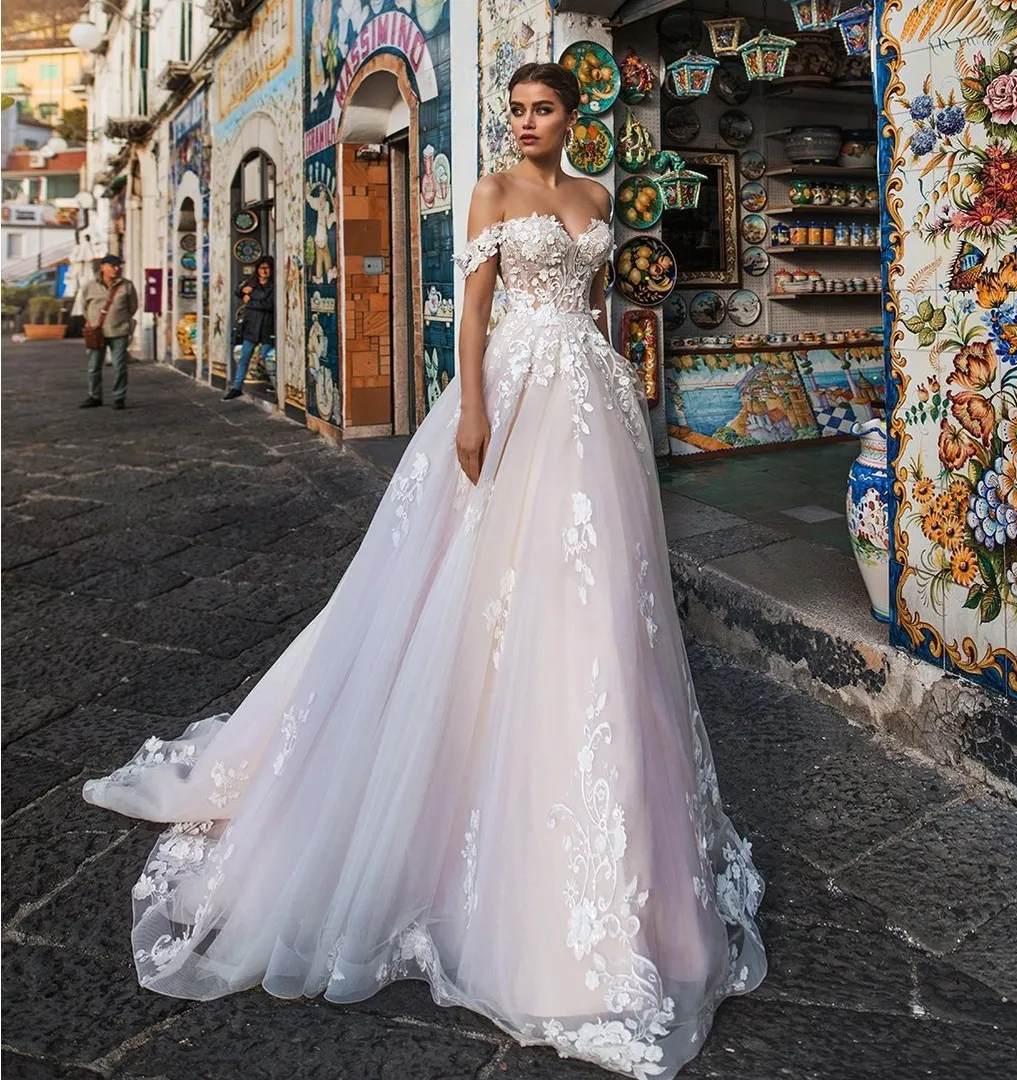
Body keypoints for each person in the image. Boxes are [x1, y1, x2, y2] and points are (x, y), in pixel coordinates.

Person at [82, 62, 766, 1078]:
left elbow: (603, 297)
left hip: (591, 405)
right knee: (473, 583)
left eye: (544, 111)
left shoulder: (596, 196)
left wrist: (615, 377)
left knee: (600, 604)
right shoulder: (492, 190)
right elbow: (476, 309)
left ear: (572, 119)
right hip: (512, 394)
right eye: (519, 110)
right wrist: (475, 407)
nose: (529, 123)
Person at [79, 254, 139, 410]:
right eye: (112, 266)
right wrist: (92, 321)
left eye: (119, 266)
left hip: (119, 330)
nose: (116, 269)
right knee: (94, 366)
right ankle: (94, 396)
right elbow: (84, 307)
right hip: (96, 331)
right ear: (103, 267)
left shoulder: (127, 285)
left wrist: (122, 319)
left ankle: (119, 397)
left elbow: (133, 306)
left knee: (119, 366)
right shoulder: (90, 286)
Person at [223, 256, 275, 401]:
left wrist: (250, 298)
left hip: (267, 326)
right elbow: (238, 290)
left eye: (267, 268)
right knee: (244, 358)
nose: (264, 271)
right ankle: (236, 387)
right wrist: (242, 290)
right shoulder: (252, 282)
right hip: (251, 326)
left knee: (267, 356)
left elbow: (269, 304)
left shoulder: (273, 285)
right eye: (261, 268)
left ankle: (274, 385)